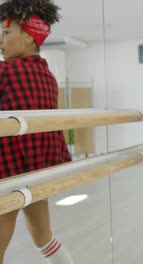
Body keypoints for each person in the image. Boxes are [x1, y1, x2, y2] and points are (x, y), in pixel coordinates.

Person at [0, 0, 73, 263]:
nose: (0, 39)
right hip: (38, 169)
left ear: (30, 37)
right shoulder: (47, 74)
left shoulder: (5, 71)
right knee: (44, 238)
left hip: (8, 171)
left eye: (6, 32)